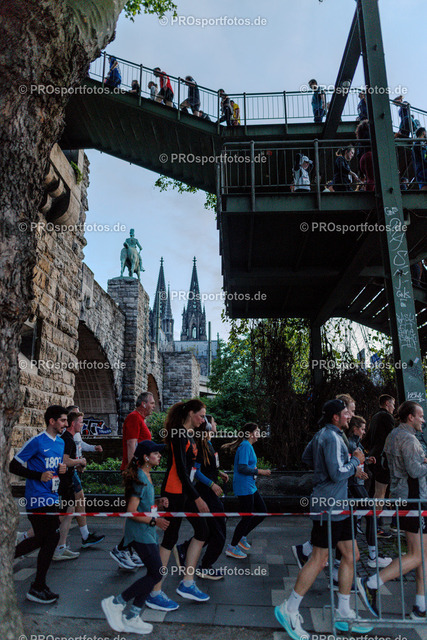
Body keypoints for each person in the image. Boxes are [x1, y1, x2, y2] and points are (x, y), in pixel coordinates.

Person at [275, 399, 368, 638]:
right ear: (336, 417)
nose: (350, 416)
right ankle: (289, 608)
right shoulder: (332, 438)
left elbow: (308, 457)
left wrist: (330, 466)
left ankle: (343, 611)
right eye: (346, 412)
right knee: (319, 559)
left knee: (351, 554)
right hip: (329, 506)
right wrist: (355, 461)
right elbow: (337, 473)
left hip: (339, 505)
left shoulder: (323, 435)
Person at [358, 401, 427, 620]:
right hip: (414, 500)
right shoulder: (409, 439)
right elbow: (415, 471)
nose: (423, 420)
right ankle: (371, 582)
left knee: (422, 555)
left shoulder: (394, 435)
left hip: (403, 497)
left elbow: (392, 464)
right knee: (417, 555)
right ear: (410, 417)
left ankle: (420, 605)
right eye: (420, 416)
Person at [101, 440, 178, 634]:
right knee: (157, 573)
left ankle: (132, 616)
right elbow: (132, 511)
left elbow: (144, 504)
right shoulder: (140, 478)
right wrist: (155, 521)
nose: (159, 456)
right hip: (139, 533)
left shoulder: (146, 475)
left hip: (147, 532)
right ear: (146, 457)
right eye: (155, 453)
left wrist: (158, 503)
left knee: (154, 573)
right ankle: (116, 603)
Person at [153, 399, 210, 602]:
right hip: (174, 492)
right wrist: (197, 498)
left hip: (184, 491)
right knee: (170, 538)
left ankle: (187, 583)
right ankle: (154, 591)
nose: (203, 420)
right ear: (191, 413)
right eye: (201, 416)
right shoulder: (179, 434)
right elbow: (180, 471)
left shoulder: (189, 434)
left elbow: (188, 471)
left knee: (203, 531)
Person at [10, 405, 67, 603]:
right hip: (36, 498)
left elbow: (54, 469)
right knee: (51, 537)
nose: (65, 424)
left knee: (43, 538)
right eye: (62, 420)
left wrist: (61, 470)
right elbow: (13, 465)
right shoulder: (37, 441)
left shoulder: (60, 443)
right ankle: (37, 586)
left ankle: (7, 558)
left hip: (52, 497)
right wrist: (38, 476)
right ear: (52, 421)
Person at [175, 415, 229, 579]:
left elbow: (206, 467)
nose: (216, 423)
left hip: (209, 493)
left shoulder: (208, 444)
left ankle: (184, 549)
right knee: (219, 532)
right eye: (213, 422)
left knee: (212, 530)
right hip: (206, 493)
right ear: (207, 426)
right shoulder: (200, 445)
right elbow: (196, 471)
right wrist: (212, 484)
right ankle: (205, 566)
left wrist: (218, 473)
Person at [111, 391, 155, 569]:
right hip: (135, 471)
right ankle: (122, 549)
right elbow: (131, 444)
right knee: (134, 512)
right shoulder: (134, 418)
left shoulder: (139, 419)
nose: (153, 406)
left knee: (138, 512)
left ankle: (129, 549)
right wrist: (133, 471)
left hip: (139, 471)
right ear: (143, 404)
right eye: (152, 403)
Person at [347, 415, 391, 569]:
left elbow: (355, 460)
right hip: (354, 485)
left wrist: (366, 460)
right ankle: (372, 556)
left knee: (352, 520)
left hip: (356, 485)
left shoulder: (355, 442)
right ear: (355, 429)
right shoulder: (350, 443)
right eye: (363, 429)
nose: (364, 432)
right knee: (370, 514)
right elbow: (347, 463)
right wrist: (356, 472)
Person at [222, 423, 271, 559]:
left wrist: (254, 470)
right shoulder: (245, 446)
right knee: (247, 517)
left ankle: (242, 536)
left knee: (262, 511)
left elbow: (247, 466)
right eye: (257, 431)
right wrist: (260, 471)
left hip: (250, 486)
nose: (259, 433)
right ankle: (232, 547)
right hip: (244, 487)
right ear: (249, 434)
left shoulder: (248, 446)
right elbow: (242, 468)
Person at [53, 411, 95, 560]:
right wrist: (80, 461)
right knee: (63, 515)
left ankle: (60, 547)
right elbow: (65, 461)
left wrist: (76, 465)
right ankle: (29, 537)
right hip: (65, 482)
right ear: (73, 424)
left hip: (67, 481)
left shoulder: (68, 439)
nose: (83, 425)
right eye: (81, 422)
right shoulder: (68, 440)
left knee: (68, 513)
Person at [365, 394, 396, 538]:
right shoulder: (386, 417)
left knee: (378, 492)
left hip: (374, 457)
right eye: (393, 404)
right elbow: (394, 436)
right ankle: (375, 527)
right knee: (380, 493)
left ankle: (381, 524)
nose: (394, 407)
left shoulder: (375, 417)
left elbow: (367, 438)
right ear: (387, 403)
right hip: (383, 460)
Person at [355, 120, 374, 192]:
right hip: (369, 155)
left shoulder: (361, 140)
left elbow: (358, 154)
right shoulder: (370, 135)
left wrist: (360, 172)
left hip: (363, 158)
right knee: (372, 179)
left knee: (370, 178)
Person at [412, 127, 427, 191]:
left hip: (419, 171)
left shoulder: (415, 144)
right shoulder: (420, 144)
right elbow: (424, 157)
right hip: (424, 170)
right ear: (424, 133)